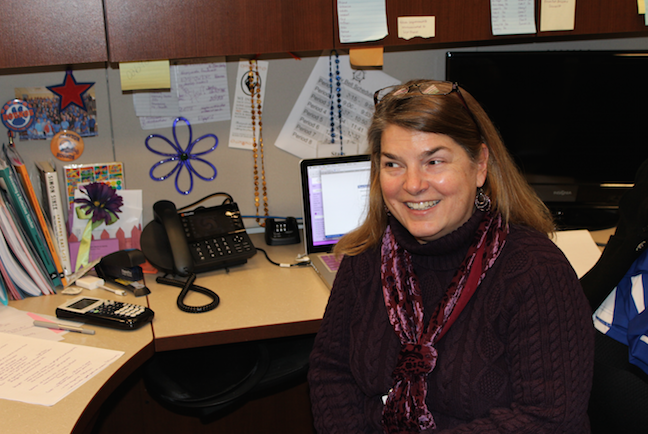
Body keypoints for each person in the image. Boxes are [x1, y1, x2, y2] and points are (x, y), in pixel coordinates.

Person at [308, 79, 595, 433]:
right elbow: (331, 371)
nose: (412, 184)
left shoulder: (534, 272)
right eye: (393, 164)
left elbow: (549, 417)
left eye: (434, 161)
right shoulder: (366, 258)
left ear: (480, 165)